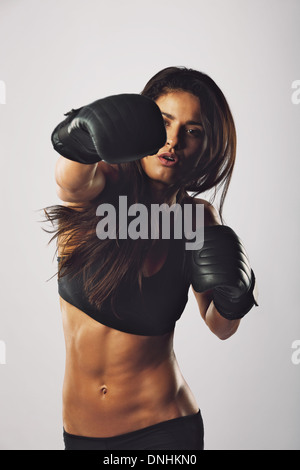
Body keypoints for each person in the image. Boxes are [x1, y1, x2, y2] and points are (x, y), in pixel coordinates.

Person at [44, 66, 258, 450]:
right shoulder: (101, 182)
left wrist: (236, 295)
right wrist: (79, 139)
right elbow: (68, 181)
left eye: (192, 131)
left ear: (205, 146)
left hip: (166, 428)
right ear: (140, 127)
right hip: (81, 437)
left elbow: (221, 327)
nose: (173, 141)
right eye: (164, 123)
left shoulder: (198, 219)